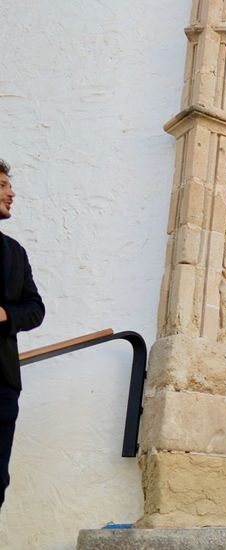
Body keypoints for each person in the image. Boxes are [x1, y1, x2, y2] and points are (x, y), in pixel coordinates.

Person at [0, 159, 45, 511]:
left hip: (2, 384)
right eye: (2, 185)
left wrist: (5, 315)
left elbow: (35, 309)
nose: (11, 192)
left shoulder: (15, 252)